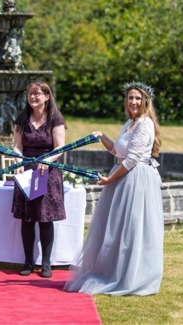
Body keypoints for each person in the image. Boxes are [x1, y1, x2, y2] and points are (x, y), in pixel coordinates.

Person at [63, 81, 164, 296]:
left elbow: (132, 160)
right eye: (130, 98)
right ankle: (114, 269)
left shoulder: (145, 124)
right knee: (116, 227)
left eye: (137, 98)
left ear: (145, 101)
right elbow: (118, 152)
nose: (133, 101)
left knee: (132, 227)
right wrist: (102, 137)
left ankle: (132, 275)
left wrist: (109, 180)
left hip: (135, 179)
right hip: (122, 176)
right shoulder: (130, 122)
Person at [11, 81, 67, 278]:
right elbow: (17, 146)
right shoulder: (22, 118)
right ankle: (28, 262)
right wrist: (19, 161)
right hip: (26, 171)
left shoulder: (55, 119)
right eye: (30, 94)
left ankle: (46, 263)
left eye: (37, 94)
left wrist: (47, 160)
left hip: (47, 172)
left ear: (47, 97)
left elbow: (60, 147)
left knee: (45, 219)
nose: (33, 97)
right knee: (27, 218)